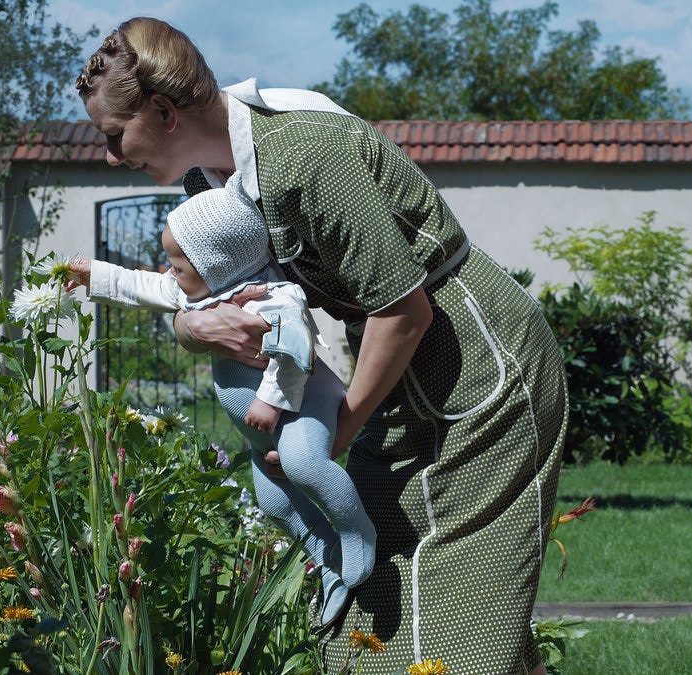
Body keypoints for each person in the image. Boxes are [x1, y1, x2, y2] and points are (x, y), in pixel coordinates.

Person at [74, 17, 569, 675]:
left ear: (164, 111)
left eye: (114, 135)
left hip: (478, 370)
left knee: (448, 622)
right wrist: (196, 328)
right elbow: (196, 301)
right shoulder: (211, 187)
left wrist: (342, 428)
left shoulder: (304, 156)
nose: (110, 155)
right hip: (397, 376)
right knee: (374, 596)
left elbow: (404, 310)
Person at [68, 173, 375, 627]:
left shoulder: (273, 298)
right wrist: (93, 274)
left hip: (302, 404)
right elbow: (142, 285)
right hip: (260, 429)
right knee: (274, 502)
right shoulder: (201, 292)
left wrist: (270, 401)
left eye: (178, 263)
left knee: (305, 464)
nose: (169, 270)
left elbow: (296, 351)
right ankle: (326, 555)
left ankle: (356, 534)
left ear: (216, 263)